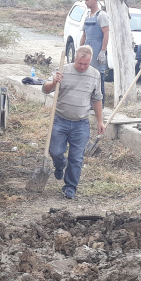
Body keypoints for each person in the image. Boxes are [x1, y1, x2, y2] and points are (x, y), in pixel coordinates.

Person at [43, 45, 105, 200]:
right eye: (80, 63)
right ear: (74, 59)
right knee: (56, 152)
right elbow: (45, 89)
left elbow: (97, 98)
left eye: (86, 64)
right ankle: (59, 165)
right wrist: (53, 82)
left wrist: (100, 121)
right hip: (60, 120)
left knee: (76, 158)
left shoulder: (95, 74)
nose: (83, 67)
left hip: (81, 123)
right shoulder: (63, 70)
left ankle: (70, 187)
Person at [79, 0, 110, 96]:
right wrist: (79, 51)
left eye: (87, 0)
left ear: (94, 0)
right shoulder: (87, 16)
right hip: (88, 50)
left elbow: (106, 34)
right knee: (87, 75)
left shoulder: (102, 16)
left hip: (97, 51)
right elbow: (84, 35)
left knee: (98, 76)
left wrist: (102, 51)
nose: (85, 2)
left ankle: (101, 104)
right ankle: (89, 102)